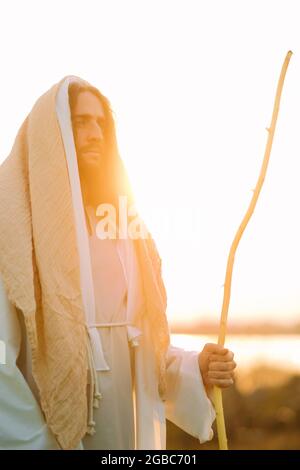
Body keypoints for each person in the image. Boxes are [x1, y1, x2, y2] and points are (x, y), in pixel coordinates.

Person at [0, 76, 236, 450]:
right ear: (51, 134)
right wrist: (40, 441)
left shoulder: (125, 230)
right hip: (54, 434)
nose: (95, 133)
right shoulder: (14, 226)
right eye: (81, 122)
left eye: (102, 123)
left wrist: (196, 369)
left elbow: (136, 343)